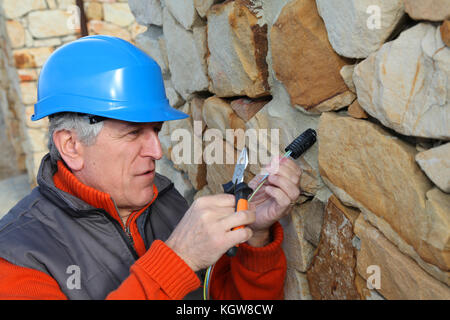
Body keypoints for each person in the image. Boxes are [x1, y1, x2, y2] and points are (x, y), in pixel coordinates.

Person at [0, 36, 302, 300]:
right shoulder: (18, 256)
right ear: (71, 145)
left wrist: (255, 235)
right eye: (133, 133)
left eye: (155, 131)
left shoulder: (165, 200)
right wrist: (176, 261)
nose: (156, 151)